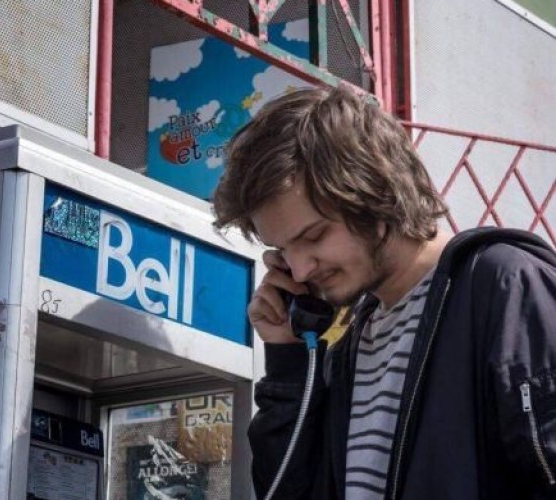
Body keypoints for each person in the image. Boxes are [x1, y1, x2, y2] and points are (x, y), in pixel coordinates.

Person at [212, 85, 556, 499]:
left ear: (374, 192)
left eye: (315, 236)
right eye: (284, 250)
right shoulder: (350, 348)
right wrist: (289, 361)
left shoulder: (504, 286)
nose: (300, 267)